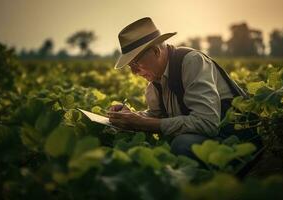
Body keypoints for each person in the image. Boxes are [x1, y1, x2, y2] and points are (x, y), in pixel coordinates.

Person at [108, 17, 257, 160]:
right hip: (210, 140)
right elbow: (157, 116)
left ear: (155, 52)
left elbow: (207, 123)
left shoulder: (192, 62)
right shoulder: (154, 82)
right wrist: (130, 116)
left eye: (136, 63)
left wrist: (142, 123)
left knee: (182, 144)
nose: (134, 72)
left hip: (235, 141)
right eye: (130, 67)